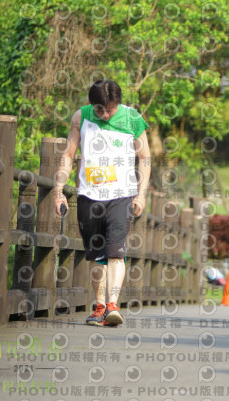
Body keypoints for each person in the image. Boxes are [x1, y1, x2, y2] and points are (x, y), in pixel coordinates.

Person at [54, 80, 150, 327]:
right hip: (89, 195)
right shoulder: (81, 116)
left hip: (121, 195)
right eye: (100, 110)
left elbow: (145, 158)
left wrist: (141, 194)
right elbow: (68, 155)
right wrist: (58, 191)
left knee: (115, 251)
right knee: (97, 256)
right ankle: (99, 306)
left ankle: (113, 305)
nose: (105, 114)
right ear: (91, 104)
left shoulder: (132, 118)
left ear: (118, 103)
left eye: (110, 109)